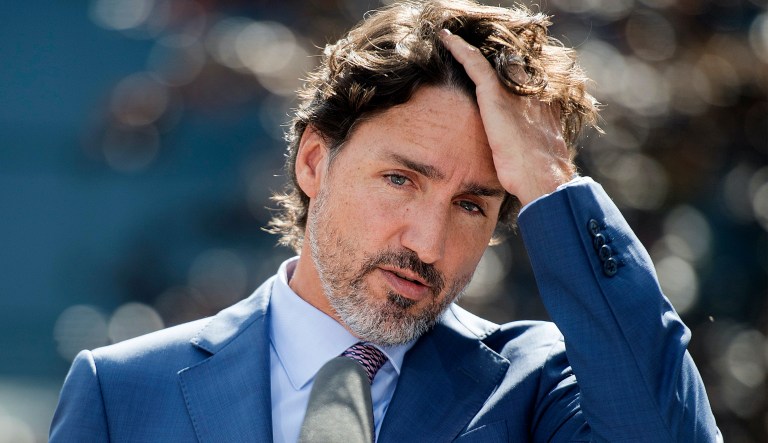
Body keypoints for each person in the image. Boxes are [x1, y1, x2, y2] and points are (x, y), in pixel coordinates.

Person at [50, 0, 722, 441]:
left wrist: (550, 179)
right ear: (314, 160)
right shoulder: (123, 392)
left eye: (472, 205)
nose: (427, 243)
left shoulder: (538, 386)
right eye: (401, 179)